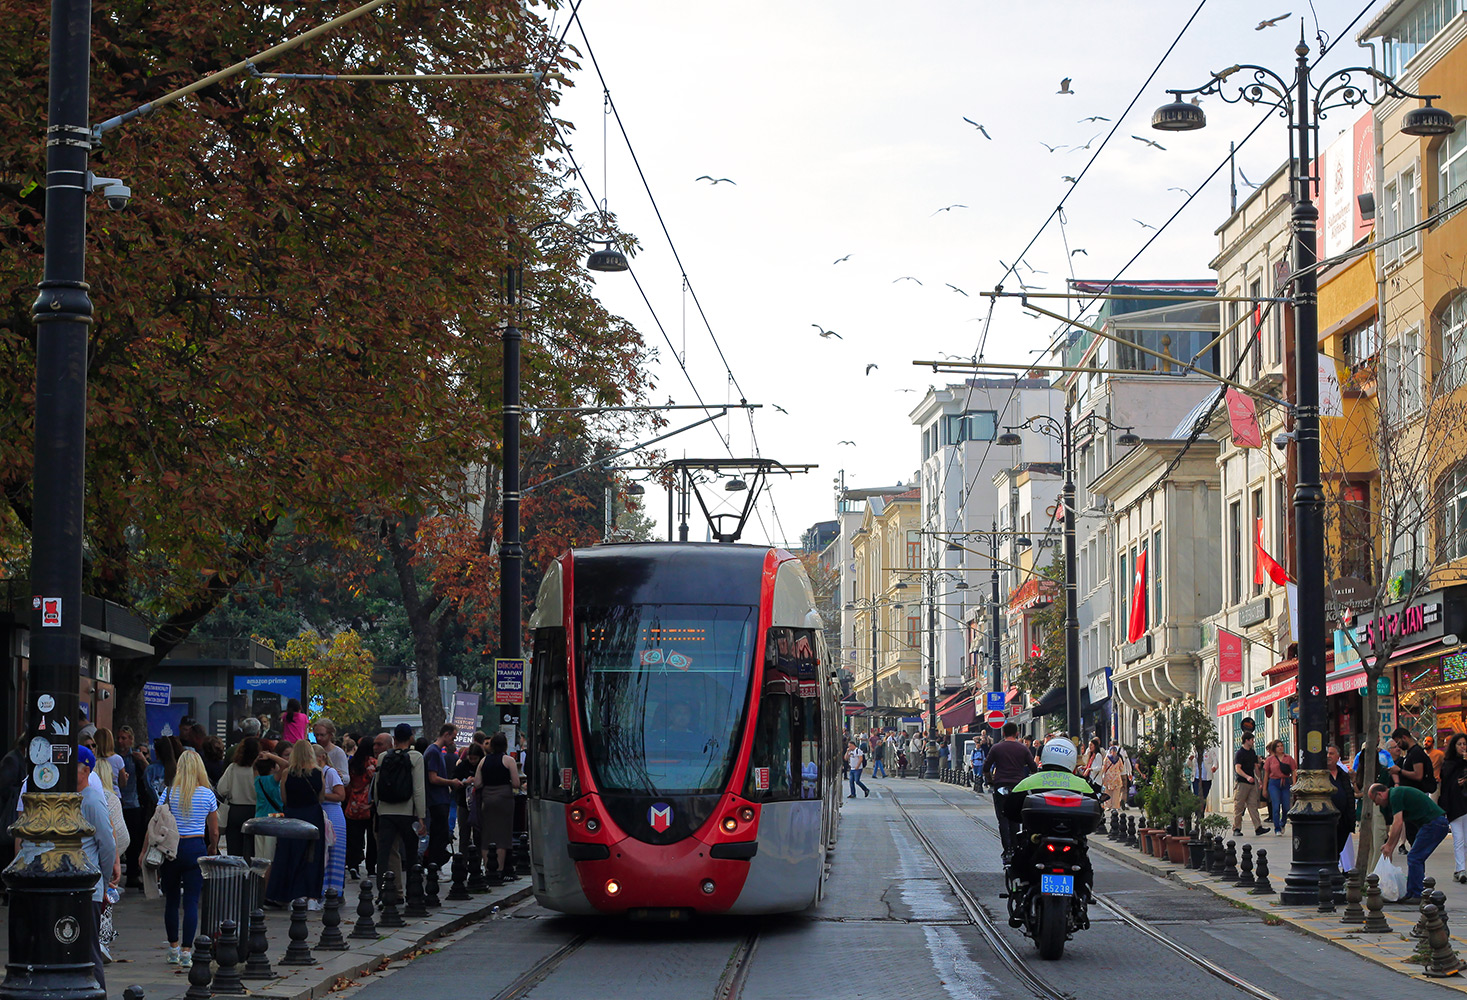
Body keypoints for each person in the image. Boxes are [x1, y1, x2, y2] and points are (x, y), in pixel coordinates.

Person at [1006, 737, 1100, 898]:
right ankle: (1083, 892)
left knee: (1019, 858)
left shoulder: (1029, 782)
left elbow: (1010, 809)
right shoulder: (1081, 785)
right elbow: (1096, 811)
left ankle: (1020, 886)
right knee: (1083, 863)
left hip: (1037, 840)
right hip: (1072, 840)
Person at [160, 749, 218, 969]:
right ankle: (186, 951)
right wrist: (212, 847)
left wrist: (145, 850)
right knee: (192, 901)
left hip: (172, 848)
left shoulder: (168, 793)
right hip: (195, 847)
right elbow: (213, 831)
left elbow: (156, 821)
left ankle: (173, 948)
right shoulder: (207, 794)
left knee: (172, 900)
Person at [71, 748, 116, 988]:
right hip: (75, 884)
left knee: (89, 949)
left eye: (73, 766)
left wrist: (103, 880)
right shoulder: (73, 798)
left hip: (89, 886)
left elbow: (107, 844)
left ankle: (99, 992)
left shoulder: (92, 799)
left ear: (85, 770)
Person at [266, 740, 325, 908]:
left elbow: (284, 799)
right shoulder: (318, 772)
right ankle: (312, 896)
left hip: (293, 816)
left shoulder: (287, 773)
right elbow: (321, 798)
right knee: (313, 855)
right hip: (313, 815)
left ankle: (290, 894)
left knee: (289, 854)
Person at [1371, 781, 1448, 904]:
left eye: (1374, 800)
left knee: (1414, 857)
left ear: (1379, 794)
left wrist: (1389, 845)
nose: (1376, 803)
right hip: (1434, 823)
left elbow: (1398, 823)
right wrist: (1390, 848)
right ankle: (1412, 892)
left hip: (1434, 823)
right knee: (1416, 857)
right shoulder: (1395, 794)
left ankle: (1417, 893)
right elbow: (1398, 828)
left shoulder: (1395, 795)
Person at [373, 723, 426, 887]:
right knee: (411, 854)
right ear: (411, 738)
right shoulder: (416, 757)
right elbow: (418, 789)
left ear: (394, 738)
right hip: (407, 811)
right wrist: (421, 816)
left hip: (385, 811)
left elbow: (376, 786)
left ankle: (383, 890)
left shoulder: (383, 757)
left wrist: (378, 807)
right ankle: (412, 891)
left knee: (384, 854)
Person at [475, 732, 521, 884]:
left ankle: (488, 868)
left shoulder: (484, 760)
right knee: (502, 834)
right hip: (504, 798)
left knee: (487, 834)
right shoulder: (509, 760)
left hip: (487, 798)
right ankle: (499, 869)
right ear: (505, 745)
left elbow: (477, 783)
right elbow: (516, 783)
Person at [984, 722, 1037, 854]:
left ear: (1003, 733)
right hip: (1018, 786)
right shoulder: (1023, 749)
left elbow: (986, 768)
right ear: (1017, 733)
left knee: (1002, 819)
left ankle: (1007, 848)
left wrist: (991, 781)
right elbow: (1034, 768)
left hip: (1000, 785)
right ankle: (1015, 847)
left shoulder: (996, 748)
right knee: (1015, 818)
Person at [216, 737, 265, 859]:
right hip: (254, 811)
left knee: (234, 851)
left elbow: (222, 789)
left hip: (235, 811)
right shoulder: (260, 769)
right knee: (253, 851)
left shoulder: (233, 768)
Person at [116, 726, 150, 889]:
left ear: (130, 740)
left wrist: (142, 760)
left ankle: (133, 873)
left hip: (133, 802)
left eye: (124, 738)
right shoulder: (115, 757)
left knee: (133, 841)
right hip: (119, 802)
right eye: (119, 738)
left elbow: (148, 774)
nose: (120, 741)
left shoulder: (134, 757)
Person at [422, 724, 461, 866]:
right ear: (446, 734)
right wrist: (451, 782)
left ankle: (433, 862)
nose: (453, 741)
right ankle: (434, 863)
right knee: (439, 835)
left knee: (439, 835)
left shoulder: (435, 751)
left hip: (438, 799)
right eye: (453, 738)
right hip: (437, 800)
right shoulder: (434, 752)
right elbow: (433, 778)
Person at [315, 743, 348, 901]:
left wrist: (321, 795)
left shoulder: (330, 772)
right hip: (321, 813)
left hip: (333, 813)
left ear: (321, 757)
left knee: (334, 854)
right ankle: (322, 889)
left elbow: (340, 795)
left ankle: (334, 890)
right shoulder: (315, 772)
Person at [344, 739, 377, 880]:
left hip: (353, 804)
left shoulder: (352, 763)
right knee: (372, 838)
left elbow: (348, 785)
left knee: (354, 838)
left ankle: (353, 865)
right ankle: (371, 868)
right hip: (369, 805)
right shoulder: (372, 763)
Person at [1439, 733, 1467, 883]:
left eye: (1465, 744)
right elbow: (1446, 785)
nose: (1463, 747)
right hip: (1455, 805)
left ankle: (1461, 868)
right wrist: (1457, 783)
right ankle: (1460, 869)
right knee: (1458, 838)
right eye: (1459, 744)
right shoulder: (1449, 763)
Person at [1326, 745, 1357, 870]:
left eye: (1331, 753)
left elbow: (1350, 794)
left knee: (1339, 847)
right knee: (1328, 848)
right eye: (1327, 753)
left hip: (1343, 819)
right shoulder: (1322, 775)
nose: (1328, 756)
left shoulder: (1343, 774)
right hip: (1327, 819)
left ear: (1338, 757)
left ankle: (1337, 868)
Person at [252, 752, 284, 866]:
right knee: (270, 856)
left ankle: (259, 875)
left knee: (259, 856)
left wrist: (259, 758)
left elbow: (254, 767)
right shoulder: (273, 780)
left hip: (258, 819)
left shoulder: (257, 780)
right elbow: (286, 765)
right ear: (272, 767)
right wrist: (270, 756)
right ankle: (268, 877)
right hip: (273, 820)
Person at [1232, 732, 1266, 836]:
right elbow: (1238, 768)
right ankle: (1236, 828)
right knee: (1239, 806)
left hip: (1252, 783)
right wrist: (1247, 777)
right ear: (1246, 740)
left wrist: (1259, 779)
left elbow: (1255, 767)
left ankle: (1258, 827)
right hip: (1242, 783)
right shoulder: (1240, 753)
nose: (1253, 742)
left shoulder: (1252, 752)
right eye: (1252, 740)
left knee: (1253, 805)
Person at [1262, 739, 1297, 836]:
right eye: (1278, 746)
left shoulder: (1288, 758)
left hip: (1285, 782)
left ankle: (1283, 822)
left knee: (1286, 807)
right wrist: (1264, 789)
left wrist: (1294, 783)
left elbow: (1294, 771)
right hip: (1274, 783)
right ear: (1274, 748)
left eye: (1281, 746)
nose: (1280, 748)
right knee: (1276, 806)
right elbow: (1266, 775)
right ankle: (1277, 828)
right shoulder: (1270, 759)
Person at [1100, 745, 1130, 814]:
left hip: (1108, 777)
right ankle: (1115, 806)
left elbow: (1104, 768)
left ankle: (1108, 805)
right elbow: (1122, 768)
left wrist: (1102, 775)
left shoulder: (1106, 759)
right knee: (1116, 793)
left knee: (1108, 792)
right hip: (1117, 777)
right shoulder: (1118, 759)